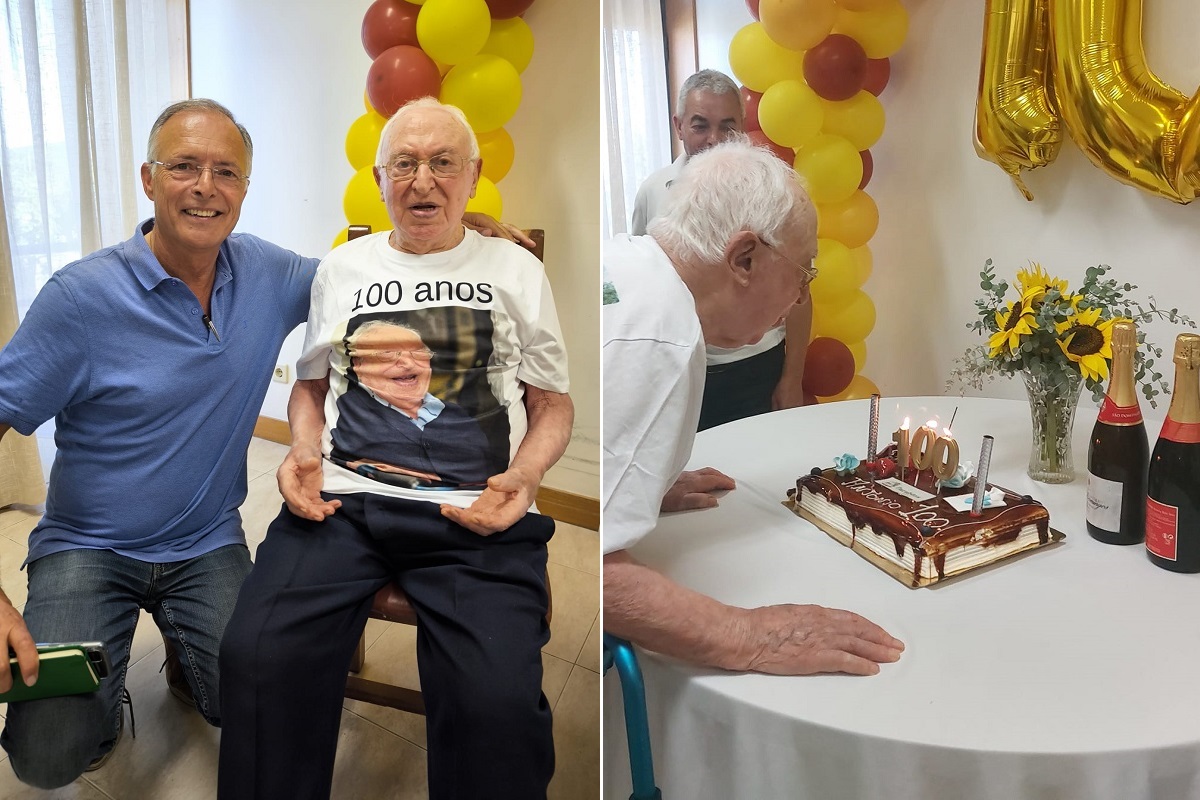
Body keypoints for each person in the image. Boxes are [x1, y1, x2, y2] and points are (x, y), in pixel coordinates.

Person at [0, 98, 528, 790]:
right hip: (87, 546)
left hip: (206, 543)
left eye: (227, 171)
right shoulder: (79, 300)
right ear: (148, 179)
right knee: (46, 754)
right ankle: (103, 694)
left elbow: (368, 276)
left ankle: (188, 663)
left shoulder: (270, 274)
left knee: (270, 696)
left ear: (245, 190)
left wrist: (462, 239)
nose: (205, 186)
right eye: (184, 166)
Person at [217, 97, 573, 800]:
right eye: (404, 164)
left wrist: (525, 477)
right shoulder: (342, 268)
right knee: (257, 655)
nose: (422, 180)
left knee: (496, 704)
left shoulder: (514, 268)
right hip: (345, 503)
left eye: (443, 163)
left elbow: (551, 405)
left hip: (477, 512)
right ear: (380, 179)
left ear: (472, 176)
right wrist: (302, 452)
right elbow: (310, 386)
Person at [603, 140, 904, 676]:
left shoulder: (627, 264)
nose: (798, 297)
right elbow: (586, 563)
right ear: (744, 259)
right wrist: (748, 637)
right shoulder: (660, 340)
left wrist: (635, 479)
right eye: (803, 273)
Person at [633, 69, 813, 431]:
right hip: (680, 369)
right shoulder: (653, 190)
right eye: (700, 126)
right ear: (679, 125)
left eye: (727, 126)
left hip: (754, 366)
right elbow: (644, 278)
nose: (714, 139)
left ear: (743, 127)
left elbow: (798, 289)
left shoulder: (773, 192)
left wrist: (792, 378)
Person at [330, 319, 503, 486]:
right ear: (359, 365)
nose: (408, 363)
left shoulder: (459, 415)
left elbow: (486, 469)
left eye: (419, 352)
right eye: (387, 353)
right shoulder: (345, 413)